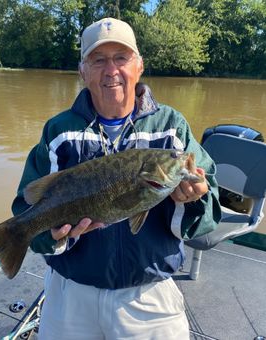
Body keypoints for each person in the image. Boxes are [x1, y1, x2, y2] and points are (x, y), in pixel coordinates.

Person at [12, 17, 221, 340]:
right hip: (71, 294)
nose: (111, 71)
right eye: (98, 60)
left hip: (148, 297)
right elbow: (26, 205)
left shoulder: (171, 127)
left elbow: (208, 214)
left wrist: (198, 198)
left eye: (121, 58)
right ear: (82, 71)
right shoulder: (59, 131)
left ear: (139, 66)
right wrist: (50, 234)